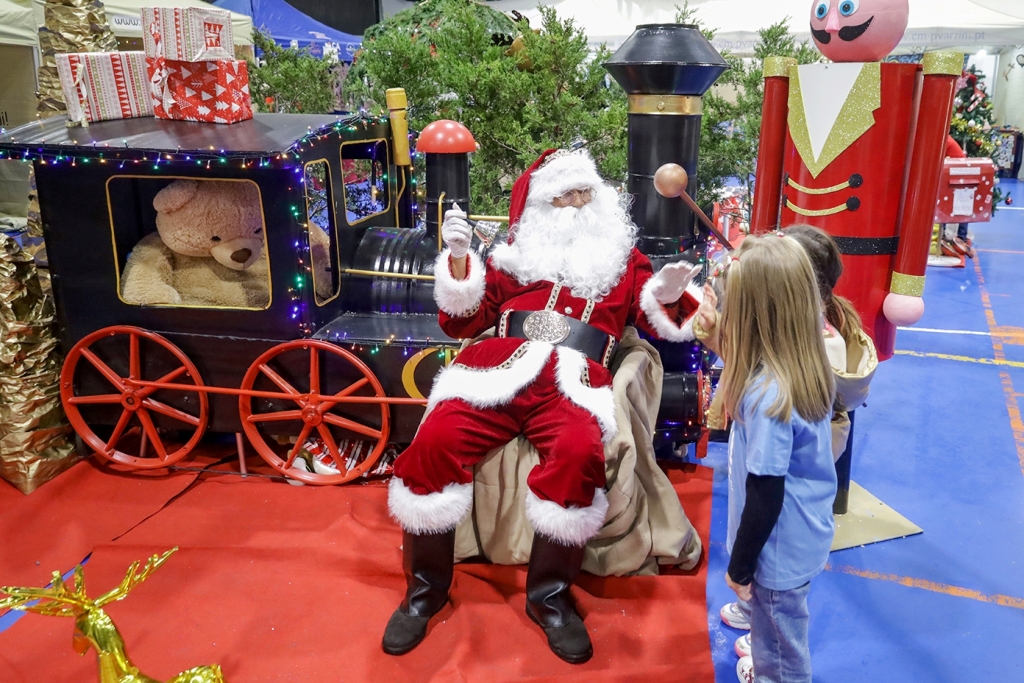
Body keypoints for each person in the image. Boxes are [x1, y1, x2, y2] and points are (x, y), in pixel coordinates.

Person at [381, 148, 704, 664]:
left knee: (579, 455)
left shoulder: (624, 259)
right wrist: (461, 265)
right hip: (493, 370)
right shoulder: (514, 254)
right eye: (563, 195)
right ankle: (425, 589)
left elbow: (665, 317)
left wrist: (668, 294)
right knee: (433, 443)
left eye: (585, 193)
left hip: (574, 377)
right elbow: (460, 323)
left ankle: (549, 597)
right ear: (539, 205)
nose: (576, 204)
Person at [697, 234, 837, 683]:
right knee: (780, 618)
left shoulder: (766, 395)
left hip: (774, 551)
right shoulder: (805, 357)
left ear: (753, 315)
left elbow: (765, 493)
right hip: (803, 533)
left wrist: (740, 567)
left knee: (782, 646)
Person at [944, 135, 975, 258]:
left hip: (959, 174)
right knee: (961, 206)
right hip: (960, 173)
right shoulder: (947, 138)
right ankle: (960, 238)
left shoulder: (944, 140)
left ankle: (958, 238)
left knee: (948, 205)